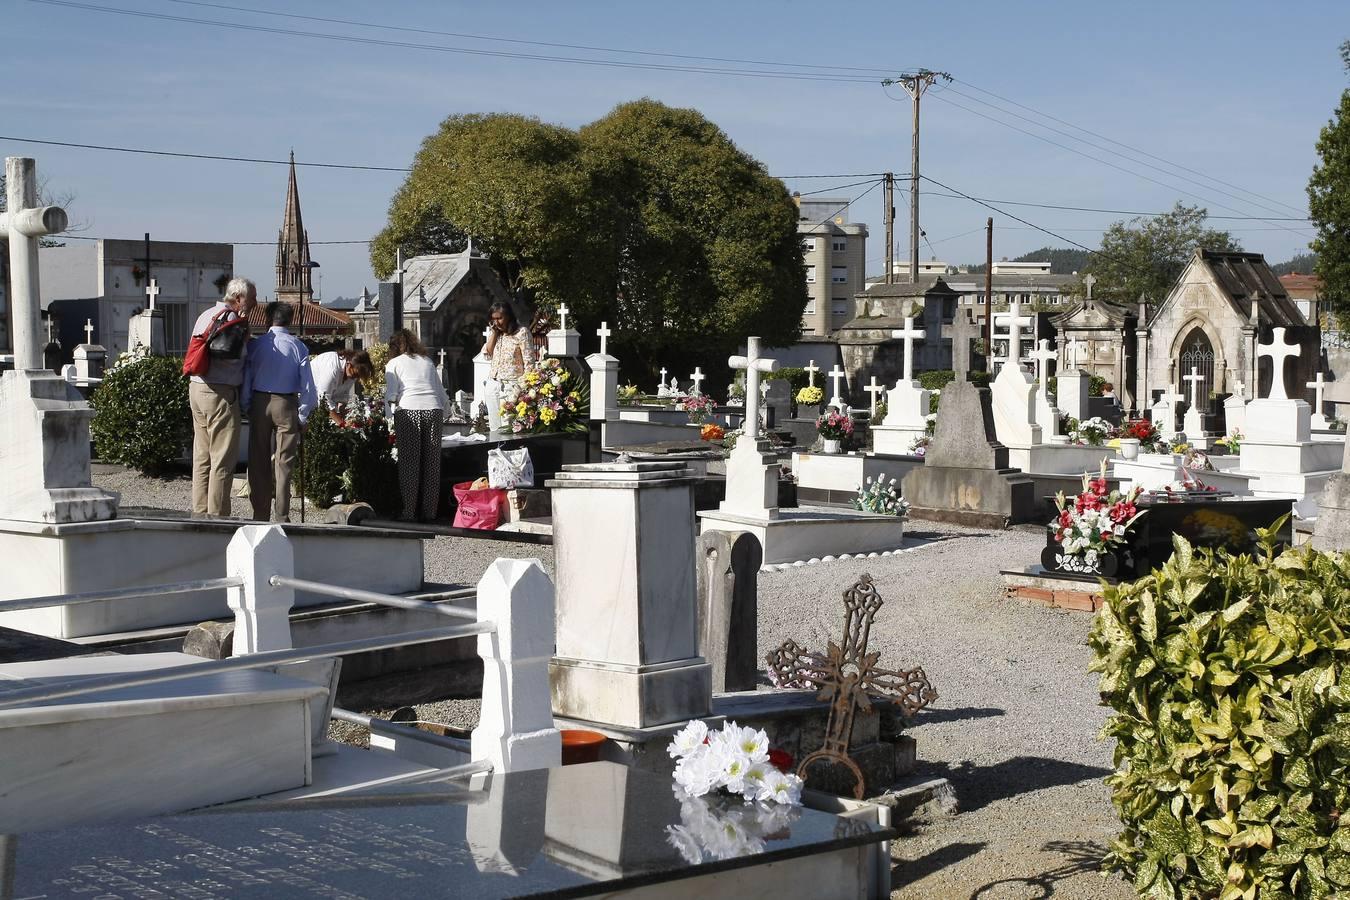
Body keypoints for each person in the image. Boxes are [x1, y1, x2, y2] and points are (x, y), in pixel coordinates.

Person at [188, 276, 257, 517]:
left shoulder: (206, 315)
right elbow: (239, 357)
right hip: (221, 393)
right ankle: (217, 518)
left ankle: (199, 512)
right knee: (222, 460)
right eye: (252, 298)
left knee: (202, 456)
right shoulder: (234, 321)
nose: (256, 303)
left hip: (196, 388)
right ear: (239, 299)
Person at [242, 302, 308, 522]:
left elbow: (247, 377)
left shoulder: (256, 345)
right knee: (284, 461)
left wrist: (246, 404)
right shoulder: (298, 346)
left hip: (260, 400)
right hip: (287, 402)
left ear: (268, 319)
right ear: (289, 321)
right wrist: (303, 414)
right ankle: (282, 514)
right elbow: (308, 386)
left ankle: (260, 512)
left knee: (258, 458)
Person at [385, 329, 449, 521]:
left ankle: (408, 512)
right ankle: (430, 513)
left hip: (409, 411)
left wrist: (389, 419)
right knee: (432, 464)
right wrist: (444, 414)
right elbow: (441, 392)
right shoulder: (427, 361)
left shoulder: (394, 363)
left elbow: (392, 395)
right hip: (434, 410)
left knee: (409, 464)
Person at [299, 348, 375, 425]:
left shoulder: (351, 372)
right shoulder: (332, 367)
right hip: (305, 400)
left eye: (358, 376)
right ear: (349, 364)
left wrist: (347, 416)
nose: (355, 378)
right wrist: (342, 424)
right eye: (355, 374)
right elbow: (324, 400)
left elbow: (343, 395)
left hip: (318, 406)